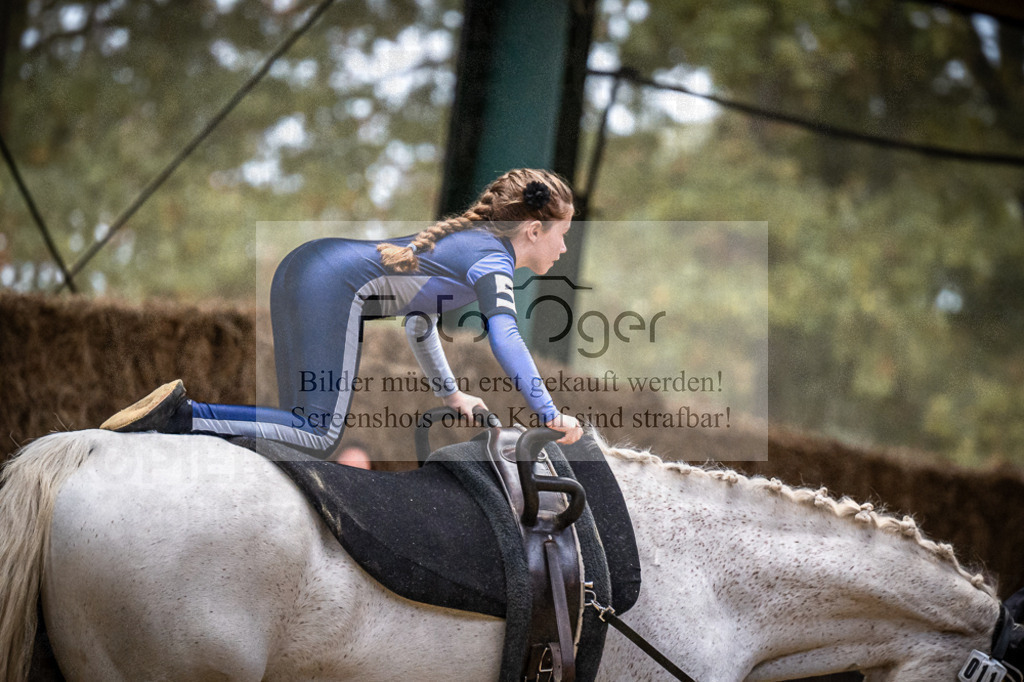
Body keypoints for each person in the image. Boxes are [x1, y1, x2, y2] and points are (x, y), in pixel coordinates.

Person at [100, 168, 584, 459]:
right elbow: (506, 335)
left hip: (307, 267)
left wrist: (451, 393)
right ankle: (182, 418)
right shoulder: (492, 258)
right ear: (535, 230)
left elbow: (419, 323)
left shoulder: (472, 247)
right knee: (317, 433)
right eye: (563, 232)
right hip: (328, 284)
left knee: (301, 425)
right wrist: (550, 413)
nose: (565, 246)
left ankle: (188, 426)